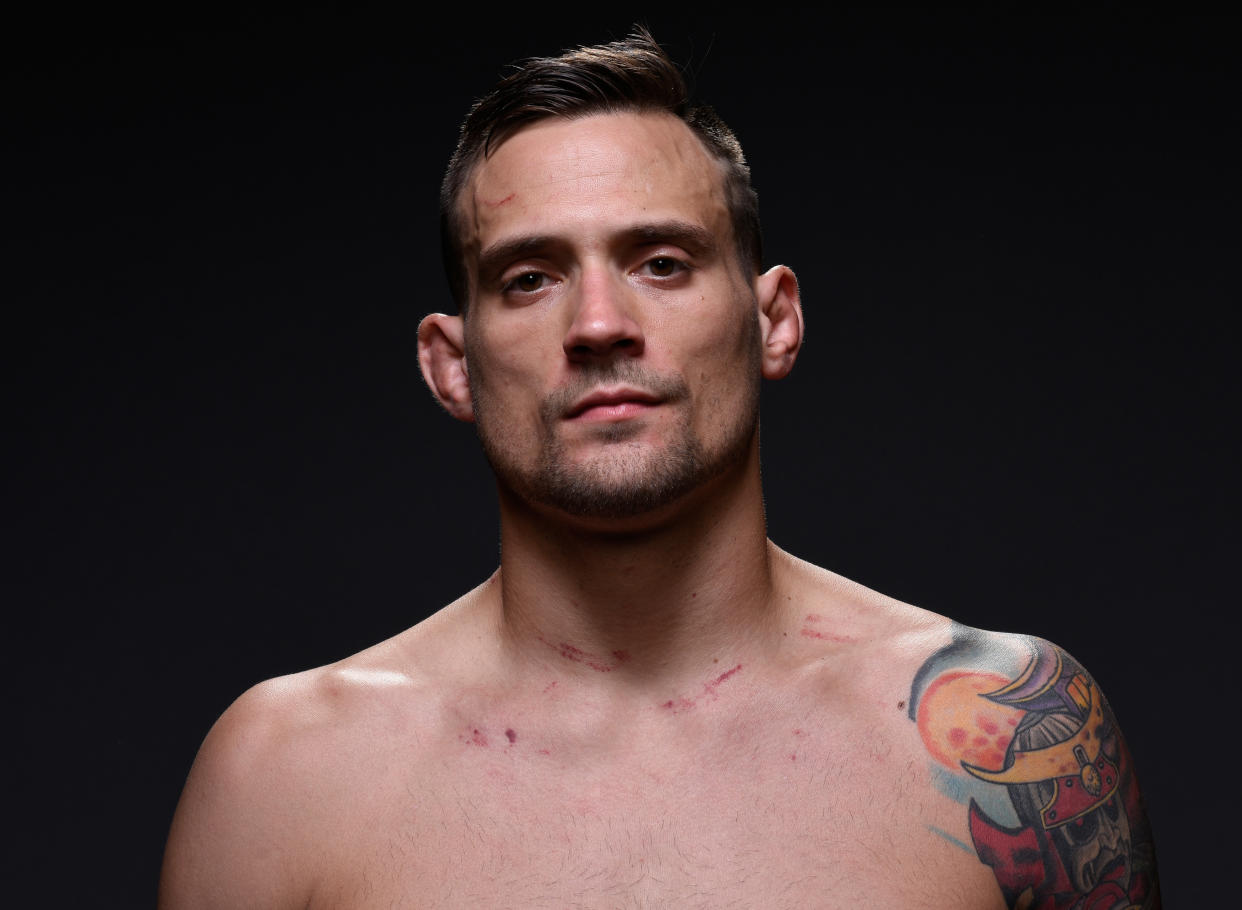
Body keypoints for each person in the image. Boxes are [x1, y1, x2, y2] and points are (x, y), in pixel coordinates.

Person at [159, 28, 1160, 909]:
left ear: (773, 320)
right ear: (451, 362)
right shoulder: (283, 777)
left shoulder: (1012, 735)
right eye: (530, 278)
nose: (599, 325)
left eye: (663, 263)